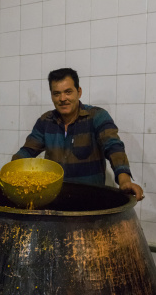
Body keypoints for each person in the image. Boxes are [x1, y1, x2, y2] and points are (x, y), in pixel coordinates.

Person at [12, 67, 144, 201]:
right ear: (51, 95)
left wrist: (124, 180)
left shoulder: (96, 116)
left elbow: (113, 146)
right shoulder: (45, 121)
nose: (62, 98)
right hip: (54, 202)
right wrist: (8, 173)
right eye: (56, 94)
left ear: (79, 92)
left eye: (68, 92)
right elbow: (27, 152)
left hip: (90, 204)